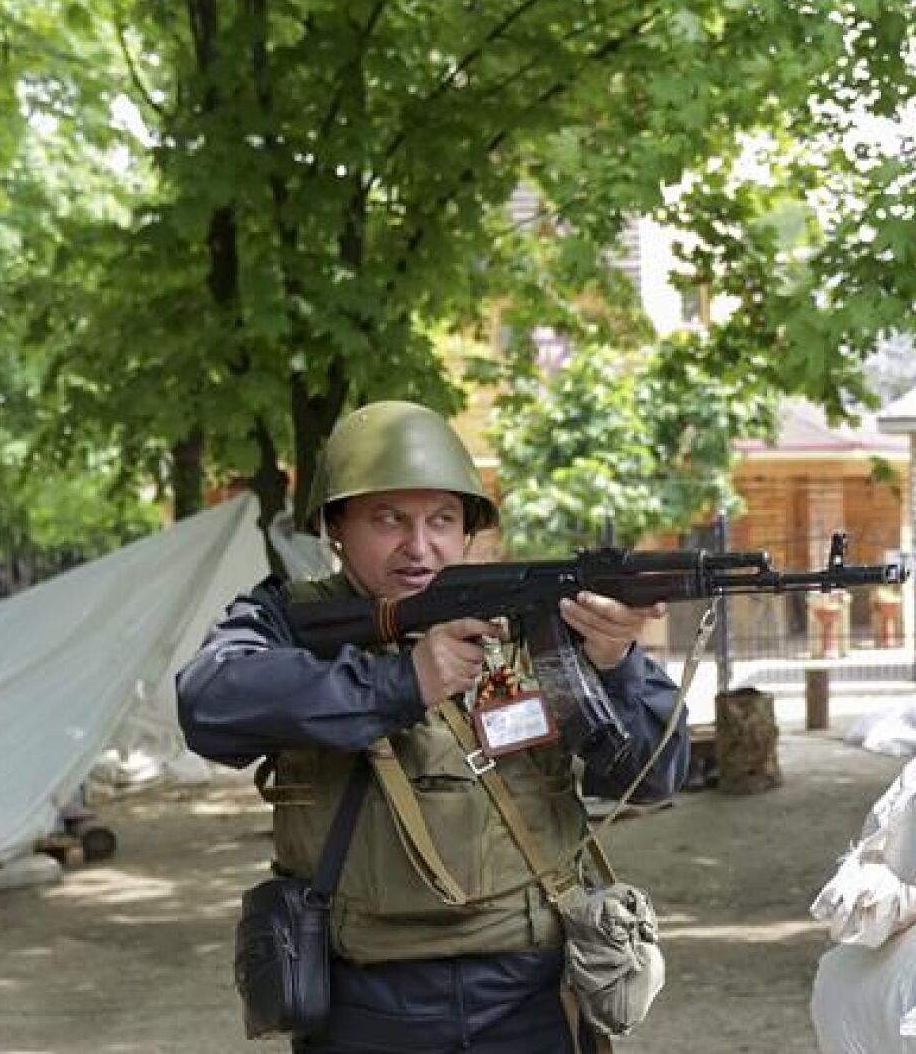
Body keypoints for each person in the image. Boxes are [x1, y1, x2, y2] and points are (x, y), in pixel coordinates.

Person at [177, 400, 690, 1054]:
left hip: (533, 993)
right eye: (388, 518)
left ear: (468, 529)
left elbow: (655, 774)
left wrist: (615, 664)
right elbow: (207, 702)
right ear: (335, 525)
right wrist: (403, 682)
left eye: (441, 520)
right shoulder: (290, 618)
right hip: (365, 1002)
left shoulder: (537, 615)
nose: (419, 546)